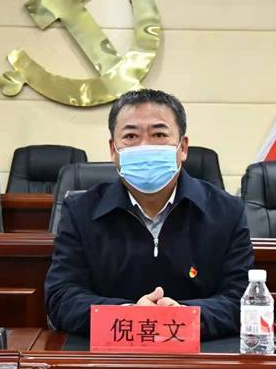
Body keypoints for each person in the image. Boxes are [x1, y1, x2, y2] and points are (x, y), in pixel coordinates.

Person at [45, 89, 253, 340]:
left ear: (183, 147)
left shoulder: (226, 211)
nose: (145, 146)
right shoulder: (81, 210)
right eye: (131, 136)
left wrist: (182, 317)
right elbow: (61, 297)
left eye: (159, 135)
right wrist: (129, 315)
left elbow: (242, 298)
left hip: (198, 352)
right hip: (111, 353)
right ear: (113, 150)